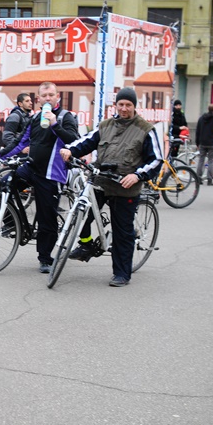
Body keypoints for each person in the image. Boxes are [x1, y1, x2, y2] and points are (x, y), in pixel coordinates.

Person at [60, 87, 163, 287]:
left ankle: (122, 273)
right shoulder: (105, 125)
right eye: (121, 104)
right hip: (101, 182)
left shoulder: (145, 129)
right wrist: (70, 150)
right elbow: (86, 142)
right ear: (116, 105)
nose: (124, 108)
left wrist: (137, 175)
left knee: (122, 231)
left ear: (134, 106)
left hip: (125, 187)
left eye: (128, 105)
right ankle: (86, 245)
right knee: (83, 214)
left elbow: (156, 160)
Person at [0, 82, 80, 274]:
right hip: (31, 167)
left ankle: (45, 258)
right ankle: (14, 224)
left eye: (51, 95)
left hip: (52, 174)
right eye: (44, 95)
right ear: (38, 99)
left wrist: (55, 124)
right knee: (2, 186)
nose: (48, 98)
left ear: (58, 97)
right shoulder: (35, 117)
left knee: (47, 219)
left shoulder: (65, 117)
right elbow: (20, 142)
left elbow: (75, 141)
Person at [195, 104, 213, 185]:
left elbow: (198, 130)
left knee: (201, 160)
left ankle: (198, 178)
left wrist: (197, 142)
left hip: (202, 142)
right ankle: (209, 180)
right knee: (211, 161)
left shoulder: (201, 118)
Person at [0, 93, 33, 157]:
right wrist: (20, 149)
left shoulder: (28, 116)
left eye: (30, 100)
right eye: (27, 101)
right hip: (15, 156)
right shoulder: (15, 116)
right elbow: (7, 137)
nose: (31, 103)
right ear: (20, 104)